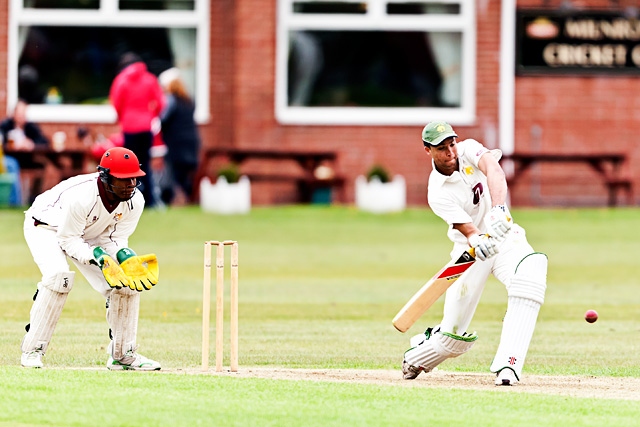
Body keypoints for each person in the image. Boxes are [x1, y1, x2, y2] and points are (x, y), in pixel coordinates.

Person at [402, 121, 547, 386]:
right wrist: (478, 239)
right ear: (428, 151)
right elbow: (466, 229)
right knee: (452, 339)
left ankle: (508, 365)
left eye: (451, 144)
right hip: (470, 253)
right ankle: (420, 352)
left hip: (505, 237)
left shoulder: (468, 149)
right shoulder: (437, 192)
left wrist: (499, 209)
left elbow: (493, 168)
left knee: (530, 276)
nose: (450, 153)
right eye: (442, 148)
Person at [20, 147, 161, 370]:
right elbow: (68, 240)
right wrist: (96, 256)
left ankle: (122, 355)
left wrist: (125, 257)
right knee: (59, 278)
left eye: (133, 179)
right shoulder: (82, 198)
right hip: (46, 225)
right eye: (123, 180)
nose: (130, 185)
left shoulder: (136, 201)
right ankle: (32, 350)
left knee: (126, 284)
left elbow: (115, 238)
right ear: (105, 177)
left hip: (88, 231)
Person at [109, 52, 165, 208]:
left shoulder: (121, 80)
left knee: (130, 165)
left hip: (129, 127)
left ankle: (130, 198)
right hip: (146, 127)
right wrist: (152, 115)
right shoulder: (150, 79)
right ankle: (149, 200)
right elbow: (161, 102)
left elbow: (117, 103)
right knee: (145, 163)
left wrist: (122, 118)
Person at [157, 67, 201, 205]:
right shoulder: (189, 100)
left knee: (174, 174)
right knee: (186, 174)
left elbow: (162, 120)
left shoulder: (170, 100)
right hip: (192, 141)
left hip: (175, 143)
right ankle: (185, 199)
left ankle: (176, 200)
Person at [1, 99, 50, 204]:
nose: (21, 117)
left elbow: (44, 141)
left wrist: (31, 144)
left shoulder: (30, 127)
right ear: (13, 114)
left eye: (23, 114)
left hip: (26, 159)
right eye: (19, 114)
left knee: (41, 165)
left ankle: (34, 199)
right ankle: (15, 202)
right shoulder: (5, 126)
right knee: (13, 165)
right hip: (10, 158)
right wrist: (13, 145)